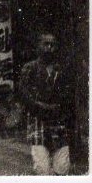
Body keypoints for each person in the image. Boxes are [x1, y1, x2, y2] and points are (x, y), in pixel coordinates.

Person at [20, 32, 74, 175]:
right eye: (46, 44)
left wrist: (59, 108)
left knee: (62, 168)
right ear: (38, 46)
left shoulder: (62, 70)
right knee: (42, 168)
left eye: (52, 45)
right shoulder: (29, 68)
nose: (49, 48)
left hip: (59, 122)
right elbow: (24, 94)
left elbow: (68, 94)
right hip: (38, 121)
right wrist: (39, 106)